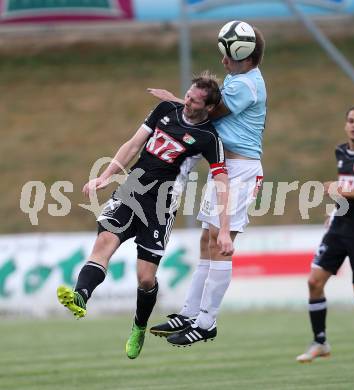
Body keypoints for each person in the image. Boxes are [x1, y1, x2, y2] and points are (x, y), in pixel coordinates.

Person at [56, 73, 234, 360]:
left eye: (194, 100)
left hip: (161, 205)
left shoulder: (209, 138)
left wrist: (224, 228)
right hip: (131, 190)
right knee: (104, 242)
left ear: (208, 107)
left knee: (145, 279)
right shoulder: (165, 110)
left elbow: (223, 182)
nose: (186, 101)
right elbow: (132, 144)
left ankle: (139, 326)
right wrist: (104, 177)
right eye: (187, 95)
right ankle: (80, 296)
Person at [149, 21, 267, 346]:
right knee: (207, 239)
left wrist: (174, 100)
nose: (223, 62)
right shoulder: (238, 77)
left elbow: (207, 114)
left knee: (221, 241)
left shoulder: (246, 86)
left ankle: (207, 322)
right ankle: (190, 313)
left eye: (227, 56)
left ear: (242, 56)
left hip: (241, 169)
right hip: (225, 166)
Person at [296, 104, 354, 363]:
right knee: (314, 282)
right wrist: (336, 207)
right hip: (339, 226)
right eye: (351, 120)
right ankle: (320, 341)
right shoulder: (341, 151)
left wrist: (341, 193)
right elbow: (347, 188)